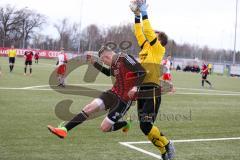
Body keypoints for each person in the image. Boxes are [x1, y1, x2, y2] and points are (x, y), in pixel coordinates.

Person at [47, 46, 146, 139]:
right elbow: (108, 73)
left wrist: (135, 87)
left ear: (107, 56)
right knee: (89, 108)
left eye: (103, 60)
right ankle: (64, 130)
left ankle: (124, 123)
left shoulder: (124, 58)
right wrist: (94, 63)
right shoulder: (114, 64)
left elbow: (141, 71)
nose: (104, 62)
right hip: (112, 93)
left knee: (104, 128)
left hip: (125, 99)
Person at [131, 1, 175, 160]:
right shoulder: (146, 47)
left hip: (152, 89)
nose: (152, 33)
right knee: (144, 127)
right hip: (141, 89)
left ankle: (167, 144)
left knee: (147, 124)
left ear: (159, 40)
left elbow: (148, 31)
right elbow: (139, 32)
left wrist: (144, 13)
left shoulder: (158, 48)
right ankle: (164, 151)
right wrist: (136, 16)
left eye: (155, 34)